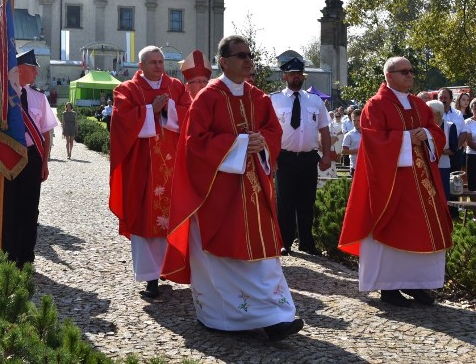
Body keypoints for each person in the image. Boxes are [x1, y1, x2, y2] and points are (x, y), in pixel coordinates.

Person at [162, 35, 303, 341]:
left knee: (264, 257)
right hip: (218, 194)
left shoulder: (259, 98)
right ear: (223, 62)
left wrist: (262, 141)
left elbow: (273, 132)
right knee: (223, 259)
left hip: (254, 192)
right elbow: (194, 144)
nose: (247, 60)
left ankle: (277, 315)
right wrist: (238, 143)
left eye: (249, 54)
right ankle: (219, 316)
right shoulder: (208, 98)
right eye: (240, 55)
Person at [338, 56, 452, 307]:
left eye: (411, 71)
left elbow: (436, 130)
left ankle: (416, 284)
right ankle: (388, 287)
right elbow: (372, 141)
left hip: (421, 184)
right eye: (404, 72)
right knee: (390, 229)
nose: (410, 76)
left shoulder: (418, 105)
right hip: (391, 183)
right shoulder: (375, 106)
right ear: (389, 76)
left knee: (422, 229)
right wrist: (405, 139)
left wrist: (427, 135)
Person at [109, 46, 191, 298]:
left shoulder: (176, 87)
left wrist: (169, 110)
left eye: (161, 61)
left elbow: (189, 115)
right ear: (141, 66)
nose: (159, 66)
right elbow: (120, 122)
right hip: (143, 169)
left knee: (173, 217)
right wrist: (150, 110)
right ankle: (150, 278)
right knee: (144, 220)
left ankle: (170, 268)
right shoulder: (127, 90)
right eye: (153, 62)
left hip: (173, 165)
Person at [0, 49, 58, 268]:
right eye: (34, 69)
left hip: (30, 158)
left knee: (28, 207)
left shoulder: (38, 96)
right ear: (20, 69)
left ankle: (24, 256)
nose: (36, 74)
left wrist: (44, 162)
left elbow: (46, 133)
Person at [269, 56, 331, 256]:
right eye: (292, 74)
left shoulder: (315, 101)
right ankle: (284, 242)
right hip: (284, 159)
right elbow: (268, 130)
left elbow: (324, 130)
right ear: (285, 76)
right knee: (284, 202)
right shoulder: (274, 99)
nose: (296, 77)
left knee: (307, 202)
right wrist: (271, 157)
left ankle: (307, 242)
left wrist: (327, 156)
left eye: (299, 74)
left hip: (308, 158)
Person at [427, 99, 458, 212]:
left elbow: (454, 149)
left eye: (429, 112)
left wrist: (440, 150)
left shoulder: (450, 126)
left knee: (443, 191)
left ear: (438, 113)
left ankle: (443, 213)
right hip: (429, 164)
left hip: (443, 164)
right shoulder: (425, 127)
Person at [341, 108, 362, 177]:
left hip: (367, 165)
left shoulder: (368, 133)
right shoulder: (349, 135)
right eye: (354, 120)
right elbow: (343, 151)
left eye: (358, 120)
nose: (356, 122)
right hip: (355, 166)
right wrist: (359, 151)